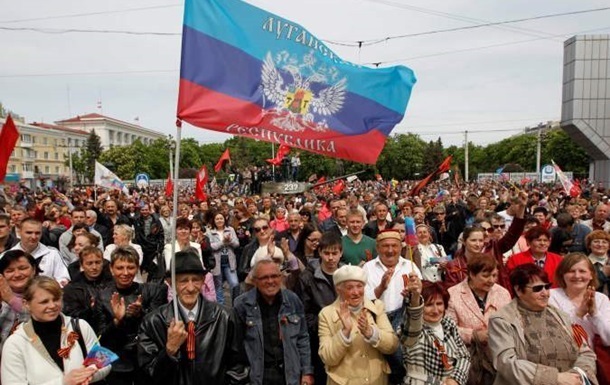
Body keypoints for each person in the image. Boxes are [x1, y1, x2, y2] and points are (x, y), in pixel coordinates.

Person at [137, 250, 244, 385]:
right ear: (171, 282)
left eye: (195, 280)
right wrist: (169, 351)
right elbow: (148, 373)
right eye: (183, 281)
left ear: (203, 280)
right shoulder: (153, 322)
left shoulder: (225, 317)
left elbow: (238, 368)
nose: (190, 288)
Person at [489, 264, 598, 385]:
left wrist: (577, 374)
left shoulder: (561, 315)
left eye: (547, 287)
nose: (545, 293)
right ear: (518, 290)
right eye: (538, 289)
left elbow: (585, 352)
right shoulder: (502, 320)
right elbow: (506, 363)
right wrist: (555, 378)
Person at [1, 276, 110, 385]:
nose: (52, 305)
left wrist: (88, 375)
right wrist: (63, 382)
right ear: (26, 304)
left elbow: (104, 362)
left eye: (56, 299)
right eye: (44, 302)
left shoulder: (80, 326)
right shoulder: (15, 344)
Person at [234, 259, 314, 385]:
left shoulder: (293, 300)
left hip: (289, 375)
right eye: (264, 277)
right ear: (255, 281)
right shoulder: (242, 305)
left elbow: (302, 338)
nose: (270, 281)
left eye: (274, 276)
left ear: (281, 277)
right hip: (258, 376)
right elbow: (236, 347)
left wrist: (307, 372)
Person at [318, 265, 399, 385]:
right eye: (349, 288)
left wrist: (371, 333)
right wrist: (344, 332)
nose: (356, 292)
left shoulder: (376, 307)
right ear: (338, 290)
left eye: (360, 286)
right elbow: (328, 358)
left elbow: (392, 345)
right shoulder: (327, 314)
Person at [98, 246, 168, 385]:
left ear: (137, 268)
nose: (125, 272)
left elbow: (160, 327)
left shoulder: (152, 290)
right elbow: (100, 337)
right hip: (117, 362)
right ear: (111, 269)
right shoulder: (103, 296)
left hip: (146, 359)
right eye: (120, 268)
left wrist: (141, 314)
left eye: (130, 267)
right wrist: (117, 321)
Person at [363, 229, 422, 384]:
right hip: (376, 322)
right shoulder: (368, 268)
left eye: (394, 246)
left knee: (403, 366)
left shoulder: (410, 267)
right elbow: (364, 300)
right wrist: (381, 286)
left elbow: (421, 297)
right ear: (378, 248)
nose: (390, 250)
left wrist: (413, 293)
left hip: (404, 322)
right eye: (385, 246)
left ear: (401, 247)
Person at [446, 254, 511, 385]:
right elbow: (447, 329)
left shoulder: (502, 293)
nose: (491, 281)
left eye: (494, 275)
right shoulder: (453, 294)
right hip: (467, 358)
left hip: (498, 357)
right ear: (471, 274)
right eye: (485, 276)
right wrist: (474, 335)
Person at [400, 280, 471, 385]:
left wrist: (455, 379)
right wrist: (415, 299)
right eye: (429, 305)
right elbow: (413, 322)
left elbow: (464, 356)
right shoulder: (412, 328)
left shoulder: (448, 324)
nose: (436, 310)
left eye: (439, 304)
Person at [295, 232, 341, 385]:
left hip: (344, 334)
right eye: (326, 253)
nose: (330, 258)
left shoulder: (346, 274)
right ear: (319, 252)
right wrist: (324, 326)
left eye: (334, 253)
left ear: (341, 253)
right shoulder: (307, 278)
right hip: (319, 336)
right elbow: (303, 311)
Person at [549, 253, 610, 348]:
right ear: (562, 275)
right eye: (571, 271)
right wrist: (578, 314)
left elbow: (608, 339)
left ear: (591, 275)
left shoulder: (601, 299)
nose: (577, 276)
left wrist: (595, 314)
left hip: (595, 358)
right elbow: (554, 336)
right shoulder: (551, 296)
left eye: (582, 271)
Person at [63, 246, 113, 334]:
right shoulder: (72, 288)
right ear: (82, 265)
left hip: (111, 330)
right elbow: (70, 316)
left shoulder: (113, 283)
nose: (94, 267)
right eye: (89, 263)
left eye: (98, 262)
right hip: (86, 331)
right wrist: (90, 310)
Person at [8, 217, 70, 285]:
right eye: (29, 233)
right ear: (20, 232)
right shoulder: (7, 256)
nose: (34, 237)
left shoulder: (52, 254)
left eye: (37, 233)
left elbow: (63, 279)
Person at [0, 250, 39, 355]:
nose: (17, 274)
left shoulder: (46, 290)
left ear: (34, 269)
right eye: (10, 270)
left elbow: (41, 317)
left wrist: (12, 300)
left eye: (23, 268)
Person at [207, 211, 240, 304]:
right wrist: (222, 242)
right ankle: (220, 307)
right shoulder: (210, 232)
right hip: (216, 262)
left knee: (235, 284)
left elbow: (237, 244)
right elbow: (211, 247)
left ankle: (235, 304)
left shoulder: (230, 229)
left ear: (224, 219)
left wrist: (229, 240)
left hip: (229, 261)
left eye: (221, 218)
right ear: (214, 221)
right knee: (218, 286)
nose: (219, 220)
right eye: (217, 219)